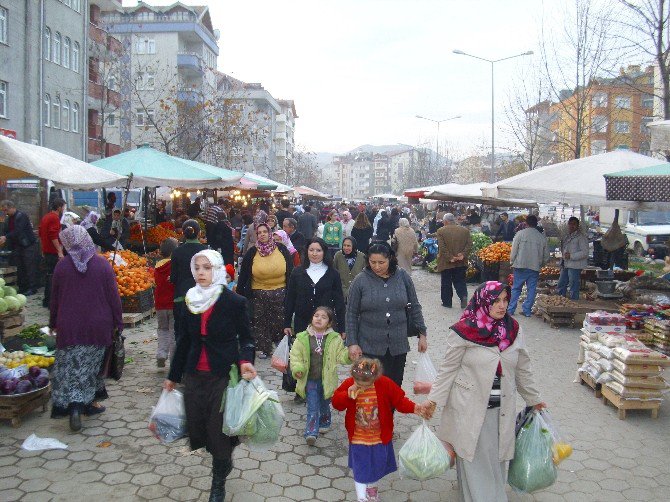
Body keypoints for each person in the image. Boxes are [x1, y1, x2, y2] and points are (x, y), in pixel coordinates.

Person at [424, 282, 546, 502]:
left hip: (502, 406)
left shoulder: (513, 330)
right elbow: (447, 369)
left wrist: (533, 399)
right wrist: (433, 400)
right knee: (474, 456)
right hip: (470, 406)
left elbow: (523, 368)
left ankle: (483, 493)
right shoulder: (464, 331)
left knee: (497, 455)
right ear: (483, 301)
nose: (502, 306)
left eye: (505, 300)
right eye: (496, 300)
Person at [164, 250, 257, 502]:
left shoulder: (233, 302)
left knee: (218, 432)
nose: (201, 272)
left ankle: (218, 481)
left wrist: (246, 361)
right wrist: (173, 375)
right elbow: (182, 340)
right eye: (197, 268)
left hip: (223, 374)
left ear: (216, 270)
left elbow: (247, 339)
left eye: (207, 267)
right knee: (199, 428)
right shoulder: (189, 300)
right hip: (194, 374)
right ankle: (224, 454)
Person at [49, 226, 123, 431]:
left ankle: (74, 406)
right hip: (98, 326)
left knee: (71, 367)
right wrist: (118, 322)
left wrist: (52, 322)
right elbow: (113, 297)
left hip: (69, 326)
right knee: (91, 367)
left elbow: (54, 299)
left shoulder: (62, 266)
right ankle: (86, 403)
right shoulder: (102, 265)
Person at [332, 357, 431, 502]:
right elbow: (336, 403)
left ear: (375, 377)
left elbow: (400, 400)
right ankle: (361, 497)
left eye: (366, 384)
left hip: (379, 437)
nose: (362, 387)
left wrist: (415, 408)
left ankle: (372, 492)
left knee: (376, 467)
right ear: (353, 377)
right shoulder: (349, 384)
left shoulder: (384, 384)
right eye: (358, 384)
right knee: (361, 468)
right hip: (358, 437)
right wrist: (348, 394)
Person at [346, 243, 427, 388]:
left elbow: (415, 306)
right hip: (369, 346)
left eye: (381, 262)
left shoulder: (402, 277)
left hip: (398, 345)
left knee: (393, 388)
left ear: (390, 259)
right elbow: (351, 313)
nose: (377, 266)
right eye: (373, 262)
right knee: (371, 389)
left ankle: (389, 411)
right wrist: (352, 343)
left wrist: (422, 334)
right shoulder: (360, 280)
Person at [290, 306, 351, 445]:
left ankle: (325, 420)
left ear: (329, 323)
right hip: (310, 379)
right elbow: (295, 356)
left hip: (327, 380)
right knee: (312, 406)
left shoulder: (334, 339)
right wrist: (298, 368)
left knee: (324, 403)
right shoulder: (302, 337)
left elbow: (341, 355)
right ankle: (311, 432)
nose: (319, 319)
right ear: (312, 318)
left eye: (324, 317)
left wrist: (349, 355)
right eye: (317, 315)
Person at [237, 222, 293, 358]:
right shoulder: (252, 252)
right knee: (261, 321)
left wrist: (293, 290)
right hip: (258, 292)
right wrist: (239, 292)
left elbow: (290, 270)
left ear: (270, 233)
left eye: (265, 232)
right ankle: (264, 348)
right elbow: (244, 273)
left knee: (279, 319)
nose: (262, 234)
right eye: (259, 233)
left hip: (280, 291)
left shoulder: (281, 249)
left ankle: (281, 345)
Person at [283, 238, 346, 340]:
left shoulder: (333, 273)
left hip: (325, 324)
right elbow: (290, 299)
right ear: (307, 251)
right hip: (302, 322)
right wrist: (287, 323)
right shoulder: (297, 272)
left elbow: (339, 302)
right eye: (311, 250)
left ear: (324, 252)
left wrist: (342, 328)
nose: (314, 253)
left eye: (318, 250)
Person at [170, 220, 208, 342]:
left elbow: (173, 277)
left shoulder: (177, 251)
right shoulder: (206, 251)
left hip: (181, 298)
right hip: (202, 298)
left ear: (183, 233)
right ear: (199, 233)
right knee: (200, 332)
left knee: (182, 333)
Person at [509, 214, 549, 317]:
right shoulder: (541, 237)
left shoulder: (520, 234)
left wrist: (512, 261)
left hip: (520, 265)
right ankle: (526, 311)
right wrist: (541, 264)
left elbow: (514, 250)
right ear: (536, 224)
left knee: (516, 288)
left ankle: (511, 309)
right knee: (531, 289)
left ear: (526, 223)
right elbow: (546, 255)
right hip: (534, 267)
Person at [0, 200, 38, 295]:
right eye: (4, 211)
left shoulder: (22, 216)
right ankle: (23, 287)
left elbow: (19, 230)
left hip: (27, 245)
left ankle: (32, 288)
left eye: (6, 210)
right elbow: (7, 231)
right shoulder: (9, 219)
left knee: (29, 267)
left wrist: (6, 237)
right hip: (17, 246)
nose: (5, 212)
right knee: (20, 268)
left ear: (12, 207)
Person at [436, 213, 472, 309]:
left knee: (446, 282)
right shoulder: (465, 230)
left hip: (446, 262)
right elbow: (469, 245)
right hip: (461, 262)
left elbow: (442, 247)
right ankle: (463, 296)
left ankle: (447, 302)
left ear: (446, 221)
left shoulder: (441, 231)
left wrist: (450, 257)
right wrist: (463, 254)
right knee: (460, 280)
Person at [154, 237, 179, 369]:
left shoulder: (157, 266)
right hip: (173, 303)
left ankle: (161, 353)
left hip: (159, 304)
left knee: (162, 329)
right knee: (173, 332)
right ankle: (174, 360)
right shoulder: (175, 265)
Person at [39, 197, 66, 308]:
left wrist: (42, 248)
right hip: (52, 252)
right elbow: (53, 235)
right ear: (59, 207)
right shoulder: (54, 218)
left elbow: (41, 233)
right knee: (53, 277)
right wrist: (59, 251)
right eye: (63, 207)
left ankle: (46, 301)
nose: (64, 209)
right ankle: (51, 302)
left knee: (49, 275)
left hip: (46, 251)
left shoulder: (46, 217)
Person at [558, 216, 589, 300]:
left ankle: (574, 303)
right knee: (561, 283)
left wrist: (571, 256)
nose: (572, 226)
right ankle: (560, 301)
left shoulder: (581, 237)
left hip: (575, 266)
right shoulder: (567, 236)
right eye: (570, 224)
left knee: (573, 285)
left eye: (574, 224)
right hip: (566, 264)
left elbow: (585, 252)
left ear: (577, 225)